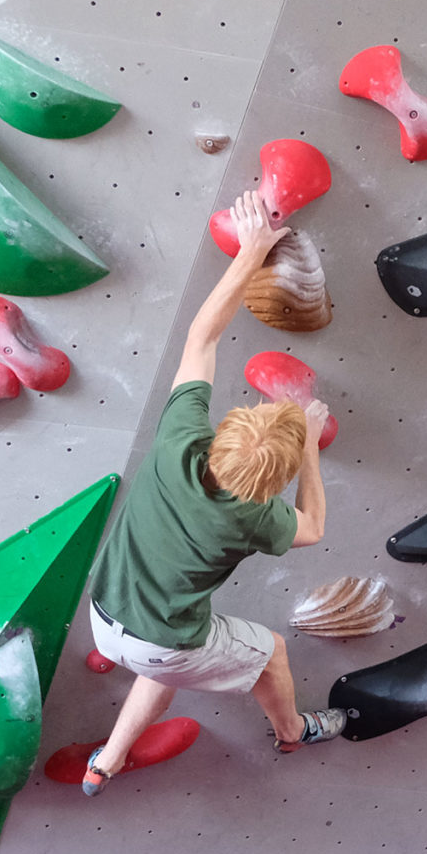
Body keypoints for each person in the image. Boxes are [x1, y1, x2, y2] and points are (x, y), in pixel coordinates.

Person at [81, 189, 340, 792]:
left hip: (107, 614)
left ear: (225, 431)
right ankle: (294, 732)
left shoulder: (179, 440)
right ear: (270, 483)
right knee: (269, 650)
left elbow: (202, 337)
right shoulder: (255, 518)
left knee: (173, 653)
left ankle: (109, 760)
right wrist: (307, 451)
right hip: (159, 640)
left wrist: (250, 250)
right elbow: (315, 527)